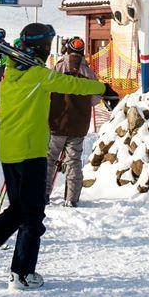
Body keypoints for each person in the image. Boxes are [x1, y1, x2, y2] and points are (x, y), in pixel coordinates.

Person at [0, 23, 107, 290]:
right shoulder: (39, 75)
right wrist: (101, 86)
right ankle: (0, 257)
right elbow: (72, 84)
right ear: (42, 48)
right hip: (31, 152)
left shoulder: (11, 73)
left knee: (22, 210)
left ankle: (11, 266)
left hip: (9, 150)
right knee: (32, 211)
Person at [46, 37, 97, 206]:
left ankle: (43, 195)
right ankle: (71, 199)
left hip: (57, 123)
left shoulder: (58, 68)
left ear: (66, 50)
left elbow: (48, 92)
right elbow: (95, 99)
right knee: (74, 161)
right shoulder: (89, 73)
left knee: (50, 160)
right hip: (79, 125)